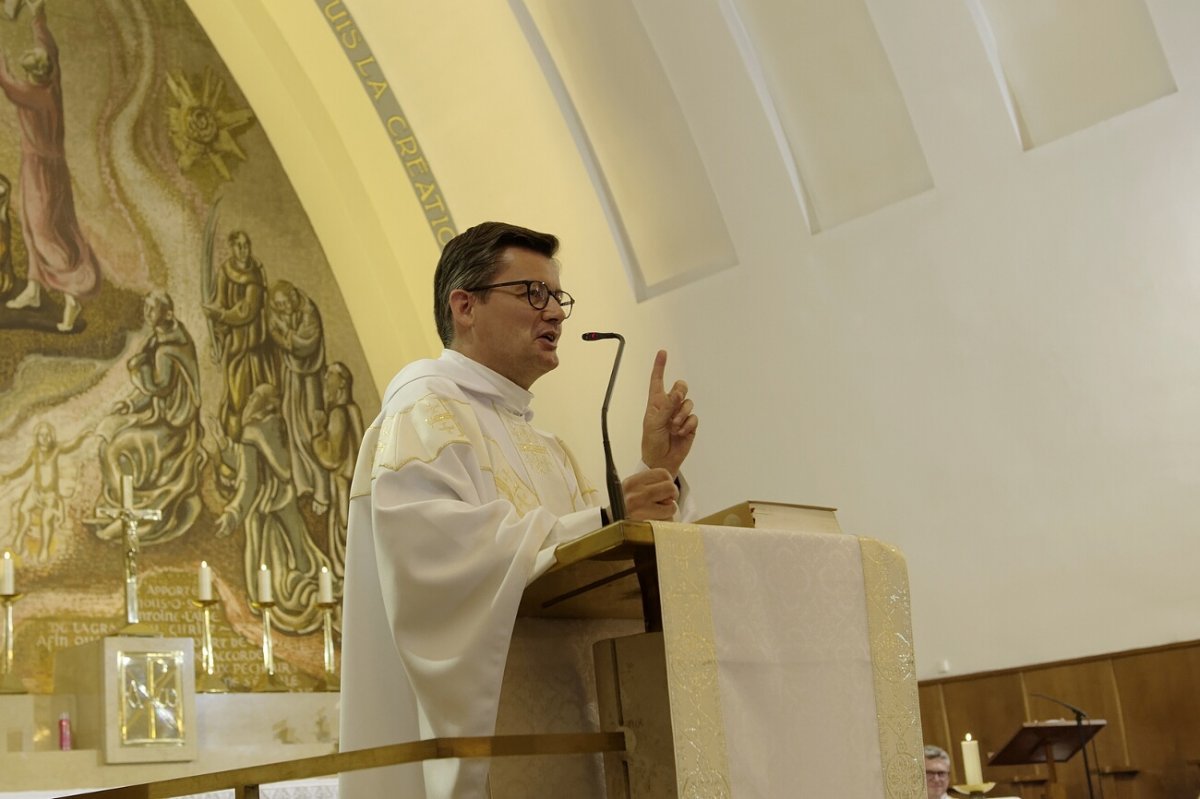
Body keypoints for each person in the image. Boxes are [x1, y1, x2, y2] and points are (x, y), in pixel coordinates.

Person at [339, 221, 698, 799]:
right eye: (534, 293)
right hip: (499, 751)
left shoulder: (545, 445)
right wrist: (606, 517)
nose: (555, 312)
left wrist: (655, 471)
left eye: (559, 297)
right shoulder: (422, 411)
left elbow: (598, 559)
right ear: (465, 306)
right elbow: (439, 563)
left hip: (579, 742)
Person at [0, 0, 102, 332]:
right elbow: (50, 48)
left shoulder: (34, 95)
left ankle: (72, 294)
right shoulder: (50, 84)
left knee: (45, 235)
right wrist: (37, 17)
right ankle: (34, 288)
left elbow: (5, 82)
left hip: (41, 171)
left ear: (34, 74)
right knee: (32, 227)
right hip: (45, 168)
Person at [213, 383, 332, 635]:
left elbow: (267, 474)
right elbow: (248, 466)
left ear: (265, 402)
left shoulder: (261, 428)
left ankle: (293, 599)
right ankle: (287, 597)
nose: (250, 400)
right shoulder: (266, 427)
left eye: (255, 395)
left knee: (288, 551)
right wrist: (224, 444)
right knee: (279, 554)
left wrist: (233, 513)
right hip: (273, 500)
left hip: (273, 500)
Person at [94, 292, 205, 545]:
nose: (147, 314)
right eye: (145, 309)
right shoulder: (160, 340)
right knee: (106, 436)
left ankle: (132, 515)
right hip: (157, 417)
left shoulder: (170, 349)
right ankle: (120, 508)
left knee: (116, 448)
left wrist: (139, 367)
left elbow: (159, 387)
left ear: (167, 313)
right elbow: (150, 392)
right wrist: (129, 403)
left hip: (172, 429)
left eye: (151, 310)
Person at [203, 230, 277, 445]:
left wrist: (221, 315)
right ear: (232, 248)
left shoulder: (255, 273)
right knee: (235, 398)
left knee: (255, 398)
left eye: (247, 245)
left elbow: (248, 310)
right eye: (239, 246)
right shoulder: (225, 272)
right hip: (235, 346)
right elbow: (220, 301)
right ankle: (234, 448)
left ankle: (256, 446)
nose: (244, 250)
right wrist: (216, 332)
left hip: (255, 346)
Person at [266, 279, 328, 512]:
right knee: (293, 426)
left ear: (293, 297)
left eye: (285, 303)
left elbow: (307, 343)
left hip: (310, 379)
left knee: (311, 430)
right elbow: (274, 330)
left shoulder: (307, 311)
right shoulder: (277, 315)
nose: (283, 309)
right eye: (278, 306)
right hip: (292, 379)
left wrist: (286, 337)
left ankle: (322, 490)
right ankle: (304, 483)